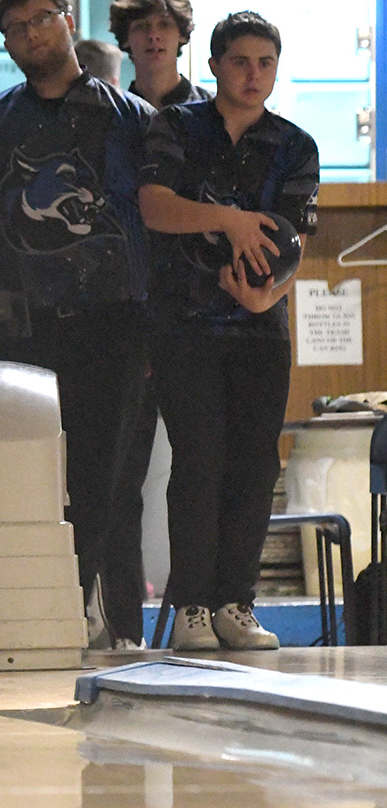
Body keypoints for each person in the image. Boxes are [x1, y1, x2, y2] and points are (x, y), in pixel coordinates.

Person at [0, 0, 155, 648]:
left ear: (67, 20)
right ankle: (23, 610)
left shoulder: (130, 119)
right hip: (17, 322)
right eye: (15, 29)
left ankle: (86, 609)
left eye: (40, 20)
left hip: (115, 320)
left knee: (104, 477)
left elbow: (164, 220)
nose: (30, 36)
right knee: (19, 475)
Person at [137, 11, 317, 651]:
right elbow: (156, 207)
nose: (253, 75)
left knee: (253, 465)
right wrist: (230, 220)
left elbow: (294, 243)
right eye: (240, 61)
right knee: (199, 460)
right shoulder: (175, 128)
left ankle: (235, 604)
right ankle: (190, 604)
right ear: (212, 64)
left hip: (260, 327)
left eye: (265, 63)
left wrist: (269, 290)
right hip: (184, 324)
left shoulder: (295, 146)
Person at [88, 0, 214, 650]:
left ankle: (200, 613)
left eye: (164, 25)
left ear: (182, 37)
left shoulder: (215, 119)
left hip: (199, 319)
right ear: (127, 40)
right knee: (119, 485)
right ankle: (124, 631)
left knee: (201, 471)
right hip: (129, 320)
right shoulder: (109, 122)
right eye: (142, 27)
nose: (154, 35)